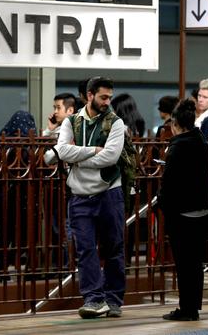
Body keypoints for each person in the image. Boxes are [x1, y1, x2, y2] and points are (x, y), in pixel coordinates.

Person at [45, 77, 126, 319]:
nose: (107, 102)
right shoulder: (71, 121)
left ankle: (113, 299)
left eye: (110, 97)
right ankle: (93, 299)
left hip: (110, 192)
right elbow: (61, 150)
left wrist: (75, 158)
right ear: (89, 95)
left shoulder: (116, 123)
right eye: (103, 97)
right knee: (85, 249)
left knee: (114, 248)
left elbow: (110, 158)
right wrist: (91, 151)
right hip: (79, 195)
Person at [158, 99, 208, 321]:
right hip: (202, 210)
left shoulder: (177, 146)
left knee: (183, 264)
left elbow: (169, 184)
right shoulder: (201, 141)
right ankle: (193, 308)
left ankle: (186, 309)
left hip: (182, 214)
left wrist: (162, 203)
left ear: (176, 124)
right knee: (195, 264)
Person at [0, 111, 37, 277]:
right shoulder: (9, 146)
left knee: (11, 236)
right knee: (12, 235)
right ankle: (10, 269)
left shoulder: (4, 144)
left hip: (15, 198)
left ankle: (6, 270)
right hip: (14, 198)